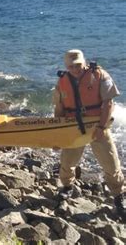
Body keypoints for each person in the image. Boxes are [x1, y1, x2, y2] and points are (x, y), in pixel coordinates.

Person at [53, 49, 124, 219]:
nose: (75, 69)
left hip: (96, 126)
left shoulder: (99, 74)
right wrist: (57, 136)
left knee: (111, 164)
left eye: (78, 65)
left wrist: (101, 127)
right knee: (67, 162)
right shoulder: (62, 81)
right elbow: (59, 109)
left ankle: (119, 197)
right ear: (66, 66)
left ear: (84, 62)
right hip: (73, 127)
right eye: (71, 66)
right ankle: (66, 188)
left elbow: (108, 103)